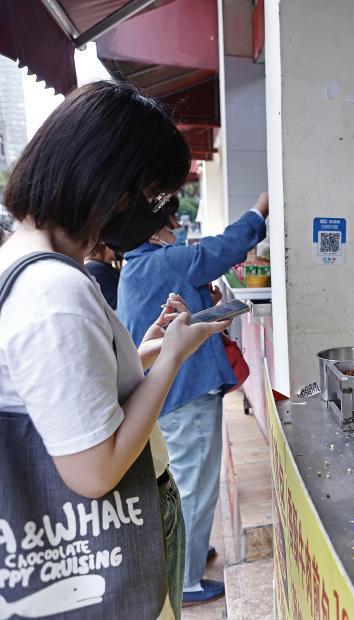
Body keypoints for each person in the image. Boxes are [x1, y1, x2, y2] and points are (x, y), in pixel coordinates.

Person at [0, 81, 231, 618]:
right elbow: (95, 471)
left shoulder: (26, 264)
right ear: (109, 184)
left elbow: (64, 397)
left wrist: (142, 354)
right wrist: (173, 358)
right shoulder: (55, 293)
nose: (158, 215)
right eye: (153, 197)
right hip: (101, 546)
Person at [118, 192, 269, 606]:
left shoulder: (136, 268)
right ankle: (186, 581)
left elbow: (176, 318)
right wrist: (261, 209)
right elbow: (223, 250)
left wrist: (207, 306)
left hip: (170, 393)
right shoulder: (163, 260)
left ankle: (193, 553)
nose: (177, 230)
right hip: (188, 393)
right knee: (195, 487)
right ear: (155, 230)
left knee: (189, 481)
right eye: (170, 223)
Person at [85, 242, 121, 309]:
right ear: (104, 247)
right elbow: (113, 303)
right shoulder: (94, 267)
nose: (119, 252)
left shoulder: (103, 266)